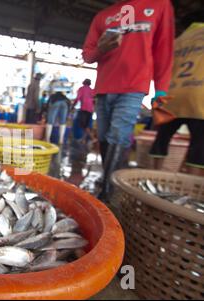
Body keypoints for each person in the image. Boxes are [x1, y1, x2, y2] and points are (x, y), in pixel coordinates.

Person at [82, 0, 175, 200]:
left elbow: (163, 50)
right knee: (105, 136)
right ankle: (109, 182)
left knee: (119, 135)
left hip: (134, 87)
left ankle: (108, 193)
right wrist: (101, 48)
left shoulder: (159, 5)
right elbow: (88, 55)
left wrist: (160, 90)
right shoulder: (102, 16)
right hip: (104, 88)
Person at [149, 23, 204, 177]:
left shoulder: (177, 41)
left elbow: (160, 68)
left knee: (161, 140)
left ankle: (153, 178)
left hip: (171, 95)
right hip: (199, 96)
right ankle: (189, 190)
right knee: (199, 147)